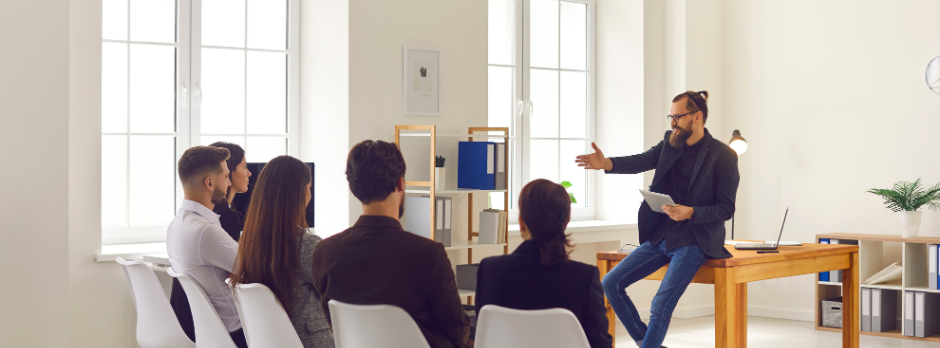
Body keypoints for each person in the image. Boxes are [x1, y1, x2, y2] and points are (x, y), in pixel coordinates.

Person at [576, 91, 739, 348]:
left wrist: (691, 212)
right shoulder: (670, 142)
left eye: (678, 116)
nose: (672, 122)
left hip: (694, 240)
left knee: (660, 303)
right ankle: (647, 343)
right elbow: (641, 160)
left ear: (696, 117)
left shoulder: (723, 155)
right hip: (661, 235)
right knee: (610, 282)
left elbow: (726, 208)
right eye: (671, 116)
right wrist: (606, 163)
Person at [311, 140, 472, 348]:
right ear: (400, 183)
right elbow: (458, 333)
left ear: (353, 187)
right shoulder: (429, 255)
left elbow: (337, 327)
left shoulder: (325, 253)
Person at [474, 179, 612, 348]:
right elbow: (599, 344)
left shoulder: (489, 270)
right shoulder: (584, 277)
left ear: (521, 222)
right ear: (566, 222)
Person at [228, 156, 334, 348]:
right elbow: (338, 289)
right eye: (309, 187)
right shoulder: (306, 245)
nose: (310, 193)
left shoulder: (249, 242)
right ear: (300, 193)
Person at [166, 146, 247, 348]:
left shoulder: (177, 225)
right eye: (226, 176)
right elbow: (252, 267)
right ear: (209, 183)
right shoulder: (205, 232)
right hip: (234, 335)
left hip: (208, 332)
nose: (229, 183)